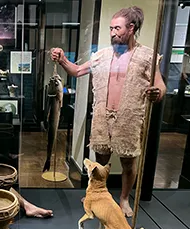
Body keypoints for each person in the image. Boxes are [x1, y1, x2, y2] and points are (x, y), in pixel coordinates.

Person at [51, 6, 166, 217]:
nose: (112, 33)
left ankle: (123, 199)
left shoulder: (146, 56)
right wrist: (62, 60)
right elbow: (77, 71)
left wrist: (156, 92)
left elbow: (160, 86)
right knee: (100, 161)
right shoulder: (102, 56)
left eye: (117, 28)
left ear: (131, 28)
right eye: (111, 28)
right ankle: (98, 194)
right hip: (103, 116)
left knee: (129, 161)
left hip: (129, 117)